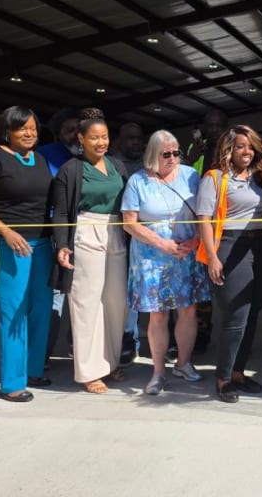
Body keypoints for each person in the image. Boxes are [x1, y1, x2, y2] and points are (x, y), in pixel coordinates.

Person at [0, 106, 54, 402]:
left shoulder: (40, 159)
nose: (29, 133)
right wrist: (6, 231)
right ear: (7, 130)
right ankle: (12, 383)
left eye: (33, 128)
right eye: (22, 128)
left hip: (42, 245)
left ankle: (34, 369)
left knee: (41, 309)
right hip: (8, 246)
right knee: (14, 313)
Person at [50, 108, 131, 394]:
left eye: (105, 137)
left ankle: (110, 362)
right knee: (86, 303)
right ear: (81, 139)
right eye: (94, 138)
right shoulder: (70, 170)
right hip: (85, 233)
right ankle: (89, 370)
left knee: (116, 300)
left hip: (116, 234)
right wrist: (62, 245)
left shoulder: (117, 166)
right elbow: (60, 212)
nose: (101, 143)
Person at [121, 130, 208, 395]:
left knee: (188, 310)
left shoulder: (191, 175)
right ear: (153, 154)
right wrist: (161, 243)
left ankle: (183, 363)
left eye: (176, 153)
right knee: (157, 315)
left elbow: (205, 213)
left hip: (185, 252)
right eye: (166, 154)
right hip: (151, 255)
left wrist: (194, 242)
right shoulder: (138, 180)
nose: (172, 158)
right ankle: (158, 371)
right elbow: (129, 223)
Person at [196, 125, 262, 403]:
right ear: (228, 149)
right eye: (241, 146)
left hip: (261, 247)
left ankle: (239, 373)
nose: (247, 151)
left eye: (251, 146)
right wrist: (212, 256)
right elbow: (204, 219)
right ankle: (224, 378)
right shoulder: (215, 178)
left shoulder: (257, 177)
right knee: (235, 317)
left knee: (253, 313)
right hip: (230, 247)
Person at [40, 107, 80, 367]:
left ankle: (78, 351)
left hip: (88, 234)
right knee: (56, 296)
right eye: (69, 130)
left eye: (79, 129)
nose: (75, 135)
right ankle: (42, 355)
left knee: (84, 296)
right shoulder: (45, 156)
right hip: (58, 234)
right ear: (58, 134)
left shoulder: (92, 156)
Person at [187, 108, 228, 354]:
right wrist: (190, 159)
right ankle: (202, 333)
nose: (214, 130)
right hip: (199, 225)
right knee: (201, 284)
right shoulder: (197, 153)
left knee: (225, 283)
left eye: (218, 125)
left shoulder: (232, 152)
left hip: (224, 225)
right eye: (210, 125)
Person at [110, 121, 147, 366]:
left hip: (144, 235)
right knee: (118, 291)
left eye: (138, 138)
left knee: (136, 289)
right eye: (130, 138)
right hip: (115, 234)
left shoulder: (148, 165)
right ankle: (122, 339)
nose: (135, 142)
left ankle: (131, 340)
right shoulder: (111, 164)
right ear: (118, 141)